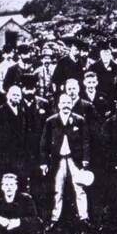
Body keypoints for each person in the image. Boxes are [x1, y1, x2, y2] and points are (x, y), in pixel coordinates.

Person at [39, 93, 91, 226]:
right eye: (63, 103)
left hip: (75, 159)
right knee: (58, 189)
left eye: (69, 103)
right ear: (59, 105)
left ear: (71, 104)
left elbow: (85, 141)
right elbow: (44, 143)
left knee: (79, 188)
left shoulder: (79, 120)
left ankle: (84, 217)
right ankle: (55, 219)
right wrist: (44, 162)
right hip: (58, 160)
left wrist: (85, 159)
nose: (66, 106)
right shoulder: (51, 121)